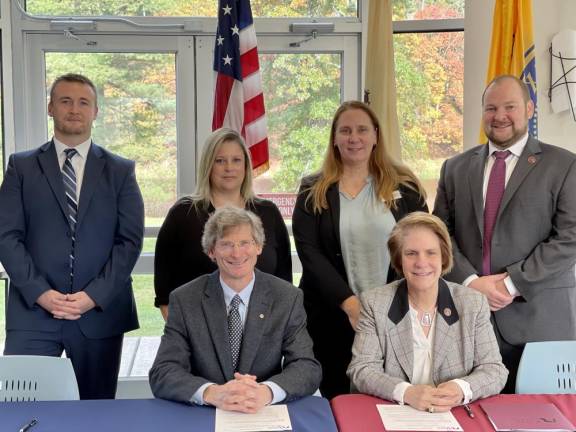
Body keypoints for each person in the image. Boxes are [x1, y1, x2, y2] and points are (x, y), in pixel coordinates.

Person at [0, 73, 144, 399]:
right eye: (65, 101)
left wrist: (91, 296)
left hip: (98, 314)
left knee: (95, 414)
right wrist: (41, 293)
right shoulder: (21, 167)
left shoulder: (121, 170)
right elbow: (7, 236)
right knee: (24, 408)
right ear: (51, 108)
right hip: (32, 313)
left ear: (96, 111)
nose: (74, 109)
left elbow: (129, 242)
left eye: (83, 102)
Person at [433, 74, 576, 393]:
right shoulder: (455, 168)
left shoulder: (564, 165)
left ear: (529, 109)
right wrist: (471, 283)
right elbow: (439, 235)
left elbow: (570, 239)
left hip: (539, 325)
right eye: (491, 108)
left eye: (510, 106)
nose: (499, 116)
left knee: (541, 421)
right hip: (468, 320)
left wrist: (511, 283)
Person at [292, 100, 428, 399]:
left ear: (376, 135)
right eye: (346, 130)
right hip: (331, 315)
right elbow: (309, 254)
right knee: (337, 397)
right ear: (335, 138)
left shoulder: (405, 186)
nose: (354, 138)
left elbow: (423, 245)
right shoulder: (313, 189)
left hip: (395, 314)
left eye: (363, 130)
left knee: (391, 397)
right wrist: (350, 304)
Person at [149, 207, 321, 413]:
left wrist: (266, 392)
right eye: (226, 244)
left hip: (262, 411)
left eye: (244, 243)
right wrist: (212, 393)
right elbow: (163, 371)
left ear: (258, 246)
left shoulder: (287, 297)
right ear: (211, 251)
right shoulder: (185, 299)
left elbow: (306, 367)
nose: (237, 253)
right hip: (206, 411)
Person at [348, 212, 507, 412]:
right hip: (395, 414)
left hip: (452, 415)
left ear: (443, 257)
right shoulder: (375, 303)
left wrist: (461, 389)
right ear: (399, 259)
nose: (421, 263)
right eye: (411, 253)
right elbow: (362, 369)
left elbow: (494, 370)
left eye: (431, 252)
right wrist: (406, 392)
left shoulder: (472, 303)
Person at [154, 128, 292, 320]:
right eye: (220, 161)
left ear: (246, 165)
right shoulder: (183, 214)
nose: (229, 167)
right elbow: (164, 290)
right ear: (208, 165)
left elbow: (284, 283)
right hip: (198, 332)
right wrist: (186, 337)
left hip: (262, 336)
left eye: (236, 160)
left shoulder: (268, 213)